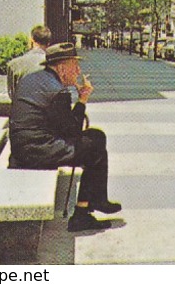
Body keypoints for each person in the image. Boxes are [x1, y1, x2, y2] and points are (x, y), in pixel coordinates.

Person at [8, 42, 121, 233]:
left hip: (23, 145)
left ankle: (94, 201)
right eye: (74, 66)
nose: (78, 71)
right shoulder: (57, 91)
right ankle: (84, 213)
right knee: (95, 143)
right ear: (61, 68)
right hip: (37, 150)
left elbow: (63, 126)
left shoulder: (33, 79)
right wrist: (83, 100)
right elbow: (72, 131)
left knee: (95, 139)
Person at [7, 25, 52, 100]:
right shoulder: (55, 64)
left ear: (31, 40)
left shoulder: (14, 64)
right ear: (48, 43)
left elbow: (12, 93)